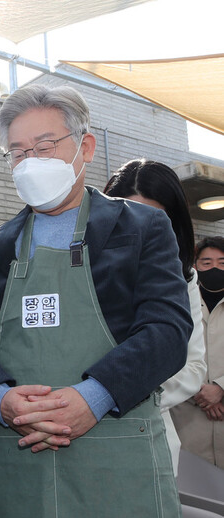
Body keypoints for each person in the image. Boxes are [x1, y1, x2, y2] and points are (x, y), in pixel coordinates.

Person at [0, 85, 192, 518]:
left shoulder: (142, 228)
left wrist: (92, 396)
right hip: (22, 461)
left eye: (44, 145)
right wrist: (0, 397)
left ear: (84, 148)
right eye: (17, 152)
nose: (30, 161)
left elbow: (168, 329)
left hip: (116, 456)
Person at [104, 159, 206, 474]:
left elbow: (193, 368)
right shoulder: (76, 267)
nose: (140, 229)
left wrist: (105, 396)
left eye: (154, 218)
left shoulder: (183, 279)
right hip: (74, 440)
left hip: (147, 436)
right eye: (128, 215)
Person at [171, 236, 224, 468]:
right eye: (207, 263)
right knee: (194, 490)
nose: (215, 269)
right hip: (188, 415)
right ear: (195, 267)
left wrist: (220, 388)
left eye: (222, 263)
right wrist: (200, 392)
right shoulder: (180, 302)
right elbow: (168, 352)